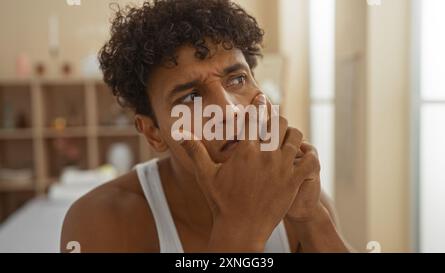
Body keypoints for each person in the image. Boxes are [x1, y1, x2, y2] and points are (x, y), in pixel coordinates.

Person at [60, 0, 350, 253]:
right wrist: (240, 226)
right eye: (191, 97)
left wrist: (311, 218)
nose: (228, 110)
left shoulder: (299, 197)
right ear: (153, 132)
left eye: (237, 79)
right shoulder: (100, 221)